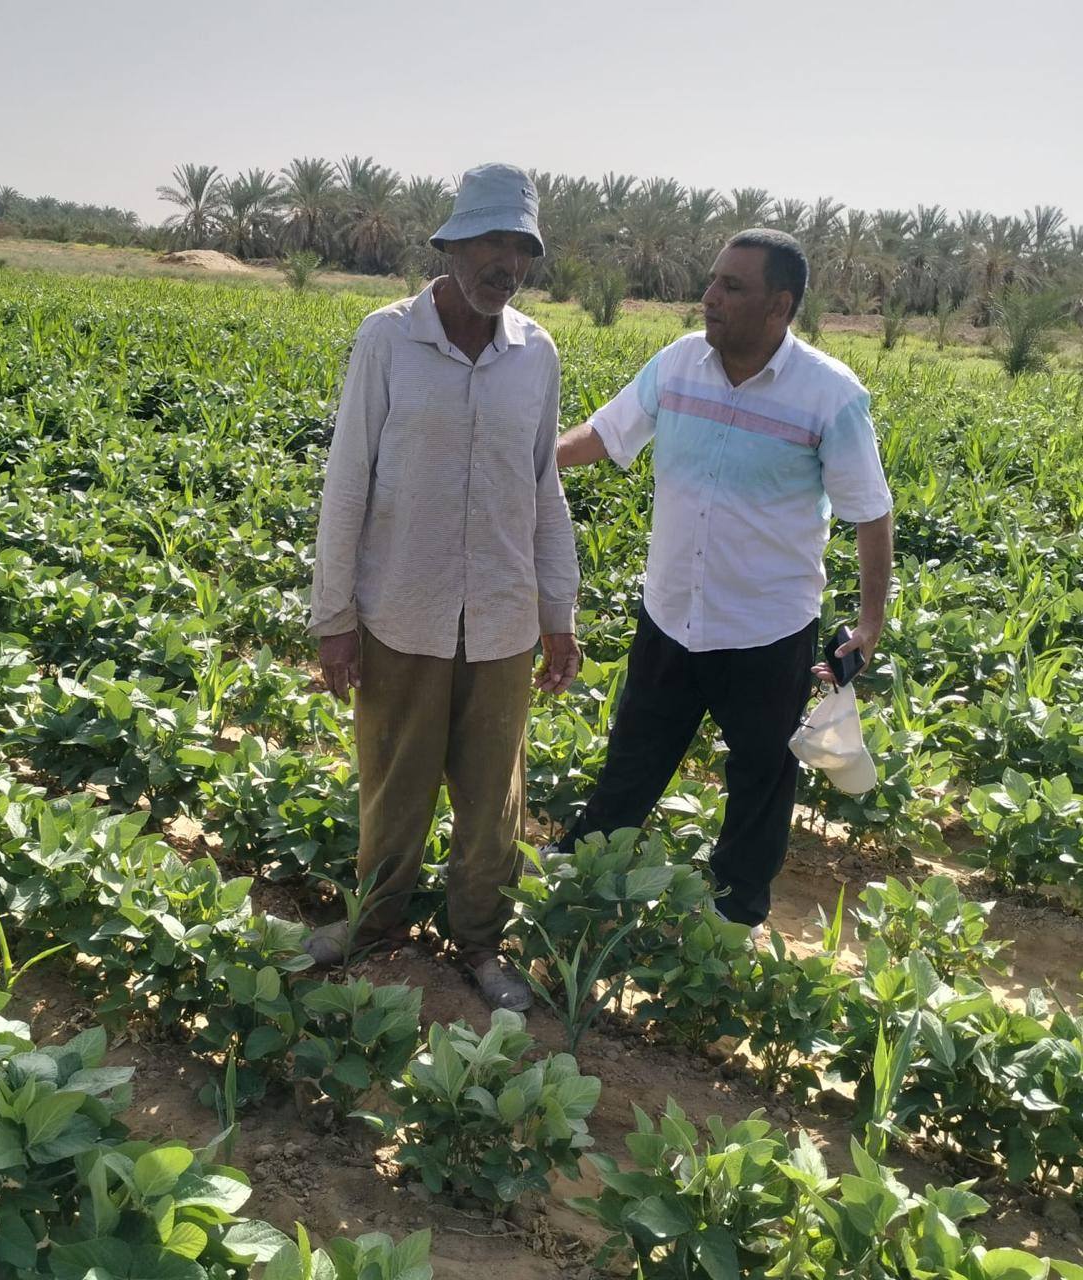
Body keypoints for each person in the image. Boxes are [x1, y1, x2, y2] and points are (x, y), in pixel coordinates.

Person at [554, 228, 892, 928]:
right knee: (630, 769)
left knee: (761, 784)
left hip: (766, 630)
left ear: (779, 306)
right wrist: (528, 457)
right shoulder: (678, 365)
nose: (709, 298)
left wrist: (869, 622)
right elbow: (604, 435)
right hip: (671, 615)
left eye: (732, 287)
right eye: (712, 281)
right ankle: (573, 897)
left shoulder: (829, 396)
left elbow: (870, 513)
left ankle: (733, 921)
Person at [305, 162, 581, 1009]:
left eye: (522, 250)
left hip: (500, 616)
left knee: (493, 804)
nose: (507, 264)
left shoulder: (536, 354)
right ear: (454, 244)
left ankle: (481, 944)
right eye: (493, 243)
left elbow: (543, 487)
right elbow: (348, 477)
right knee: (393, 784)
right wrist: (334, 616)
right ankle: (373, 922)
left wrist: (557, 613)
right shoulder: (387, 339)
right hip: (402, 610)